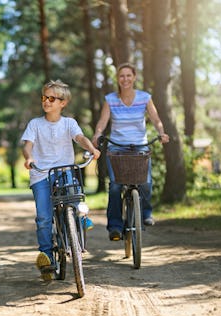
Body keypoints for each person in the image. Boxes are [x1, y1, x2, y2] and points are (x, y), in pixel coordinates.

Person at [22, 80, 100, 281]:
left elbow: (80, 138)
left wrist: (91, 149)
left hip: (64, 170)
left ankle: (80, 217)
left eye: (51, 98)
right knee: (44, 218)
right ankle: (47, 256)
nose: (46, 102)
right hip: (41, 174)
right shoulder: (35, 124)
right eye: (44, 98)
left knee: (73, 192)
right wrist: (28, 157)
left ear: (62, 103)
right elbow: (27, 145)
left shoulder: (69, 123)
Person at [92, 63, 170, 241]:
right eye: (122, 76)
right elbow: (103, 122)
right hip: (117, 148)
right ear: (117, 79)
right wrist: (97, 134)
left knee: (145, 183)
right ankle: (115, 227)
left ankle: (146, 214)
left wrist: (161, 132)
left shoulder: (144, 97)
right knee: (115, 186)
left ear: (134, 77)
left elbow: (156, 119)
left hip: (139, 146)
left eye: (129, 75)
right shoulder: (110, 99)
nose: (125, 79)